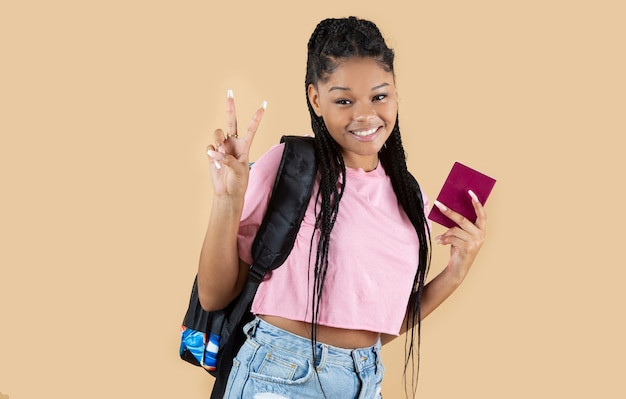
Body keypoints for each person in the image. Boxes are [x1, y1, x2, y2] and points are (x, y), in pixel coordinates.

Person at [199, 16, 487, 399]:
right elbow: (214, 296)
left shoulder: (408, 195)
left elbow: (380, 323)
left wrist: (454, 273)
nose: (365, 115)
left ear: (396, 91)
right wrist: (227, 199)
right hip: (281, 375)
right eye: (344, 100)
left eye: (379, 96)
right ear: (316, 99)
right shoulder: (291, 165)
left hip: (365, 380)